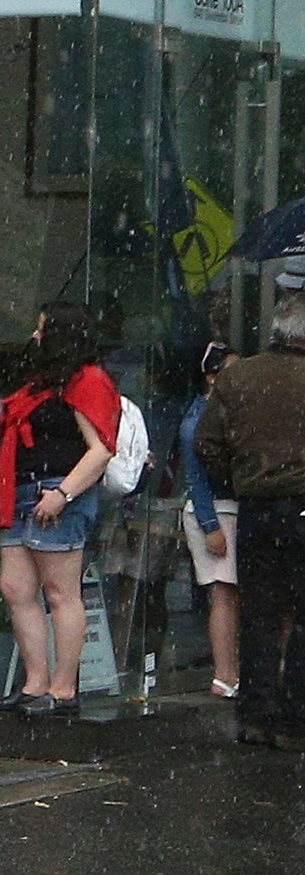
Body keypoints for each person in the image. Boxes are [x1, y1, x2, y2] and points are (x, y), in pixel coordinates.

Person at [0, 304, 118, 717]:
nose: (35, 335)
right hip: (23, 487)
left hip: (57, 490)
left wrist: (63, 493)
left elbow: (101, 449)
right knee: (16, 587)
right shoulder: (40, 380)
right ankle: (35, 683)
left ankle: (63, 689)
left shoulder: (88, 380)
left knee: (61, 593)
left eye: (42, 328)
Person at [197, 269, 305, 747]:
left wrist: (239, 478)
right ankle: (295, 718)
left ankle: (256, 713)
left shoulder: (239, 377)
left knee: (259, 611)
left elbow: (206, 442)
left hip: (258, 508)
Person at [186, 342, 243, 700]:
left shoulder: (227, 414)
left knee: (233, 595)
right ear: (211, 376)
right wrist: (210, 525)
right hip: (216, 510)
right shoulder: (198, 419)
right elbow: (195, 478)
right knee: (223, 594)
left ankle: (233, 672)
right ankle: (225, 675)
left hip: (232, 508)